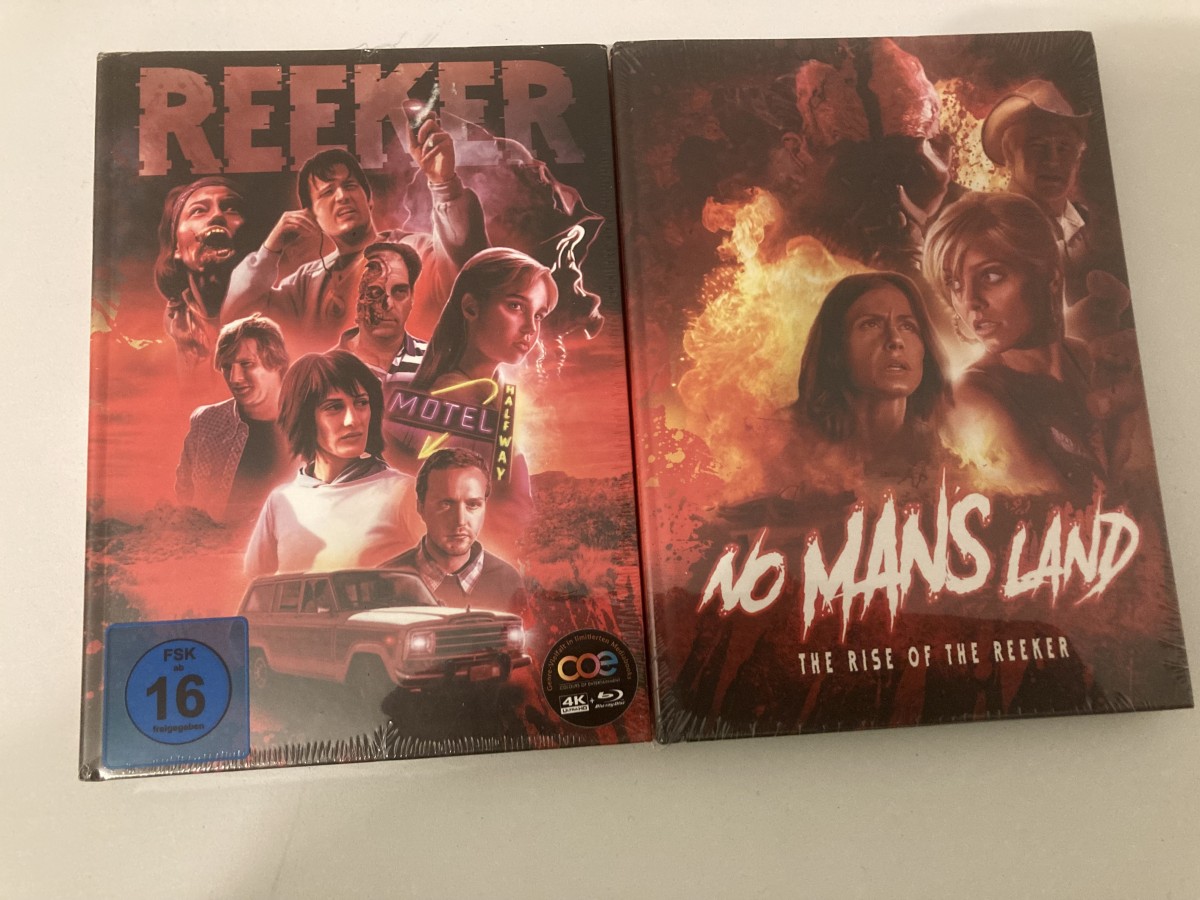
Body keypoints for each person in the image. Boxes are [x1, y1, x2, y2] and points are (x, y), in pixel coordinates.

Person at [224, 127, 488, 350]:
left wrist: (444, 184)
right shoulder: (306, 283)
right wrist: (269, 250)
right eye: (327, 192)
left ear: (369, 199)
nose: (342, 196)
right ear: (311, 216)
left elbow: (471, 267)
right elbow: (236, 317)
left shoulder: (415, 250)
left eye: (350, 186)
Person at [923, 191, 1105, 498]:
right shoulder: (971, 398)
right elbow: (1063, 512)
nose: (970, 301)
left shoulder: (1088, 358)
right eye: (955, 284)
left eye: (991, 276)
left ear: (1050, 276)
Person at [245, 350, 421, 576]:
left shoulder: (406, 492)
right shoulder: (280, 501)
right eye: (334, 407)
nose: (353, 420)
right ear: (304, 416)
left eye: (361, 403)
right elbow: (256, 586)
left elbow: (446, 576)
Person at [788, 271, 947, 472]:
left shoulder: (941, 456)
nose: (895, 340)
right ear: (836, 348)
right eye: (871, 324)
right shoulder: (784, 442)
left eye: (908, 326)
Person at [176, 315, 295, 522]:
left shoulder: (314, 423)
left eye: (246, 364)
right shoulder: (205, 421)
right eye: (227, 366)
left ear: (277, 363)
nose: (234, 378)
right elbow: (184, 494)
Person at [379, 448, 524, 612]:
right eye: (446, 504)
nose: (460, 521)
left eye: (473, 505)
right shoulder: (384, 581)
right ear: (421, 508)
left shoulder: (508, 581)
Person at [409, 247, 558, 404]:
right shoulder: (454, 395)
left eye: (538, 316)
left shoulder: (495, 388)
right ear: (471, 308)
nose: (531, 328)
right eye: (515, 306)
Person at [154, 176, 249, 377]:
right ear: (176, 247)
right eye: (198, 210)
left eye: (231, 208)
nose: (217, 215)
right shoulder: (174, 323)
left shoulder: (280, 309)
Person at [334, 241, 427, 386]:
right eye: (375, 292)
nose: (388, 304)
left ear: (412, 297)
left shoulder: (435, 362)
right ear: (356, 296)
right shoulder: (327, 369)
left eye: (399, 291)